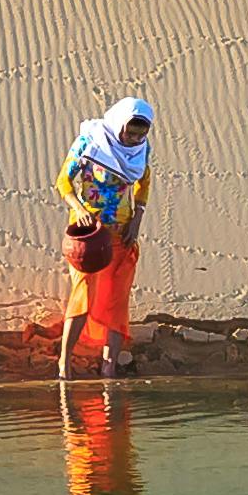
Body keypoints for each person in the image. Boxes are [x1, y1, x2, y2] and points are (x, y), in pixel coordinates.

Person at [59, 97, 159, 378]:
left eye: (141, 134)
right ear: (119, 124)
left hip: (122, 232)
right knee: (82, 295)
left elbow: (143, 182)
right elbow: (63, 181)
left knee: (117, 298)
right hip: (88, 236)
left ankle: (109, 367)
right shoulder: (90, 142)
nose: (134, 139)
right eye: (130, 132)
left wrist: (137, 219)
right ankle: (64, 364)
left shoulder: (141, 149)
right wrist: (79, 210)